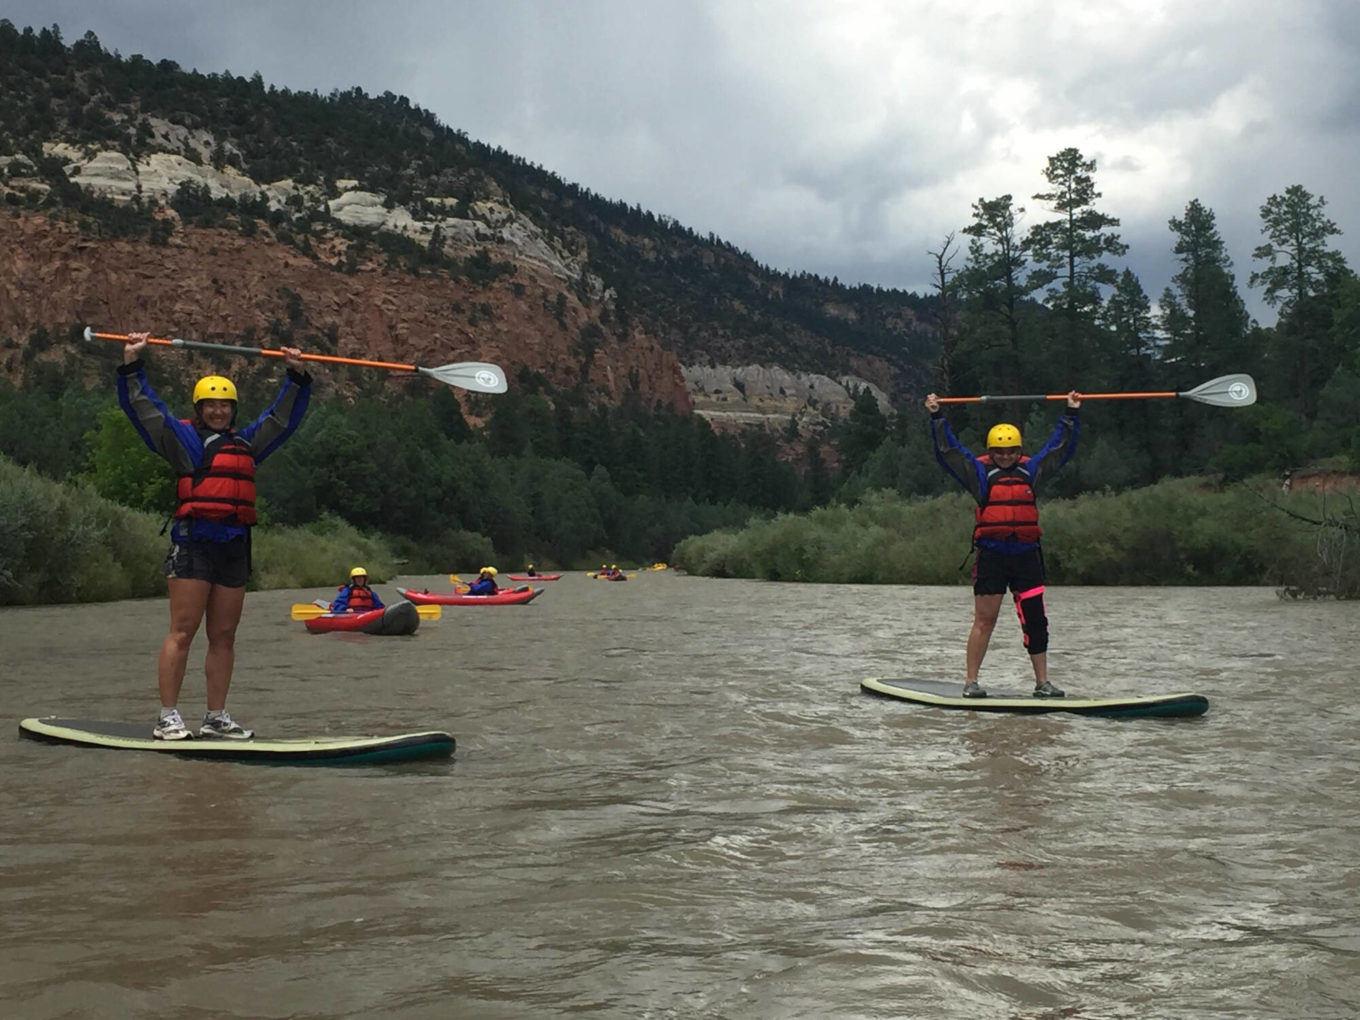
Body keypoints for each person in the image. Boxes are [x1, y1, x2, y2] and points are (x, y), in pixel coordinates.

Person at [118, 331, 311, 739]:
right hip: (194, 544)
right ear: (199, 408)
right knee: (183, 631)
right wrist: (133, 365)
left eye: (225, 405)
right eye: (211, 405)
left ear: (233, 409)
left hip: (234, 547)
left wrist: (296, 378)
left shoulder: (246, 442)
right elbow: (146, 411)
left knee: (223, 636)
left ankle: (216, 717)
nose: (219, 411)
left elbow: (281, 420)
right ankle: (168, 716)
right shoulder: (186, 440)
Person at [925, 390, 1081, 699]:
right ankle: (971, 682)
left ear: (1019, 450)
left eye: (1011, 451)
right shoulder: (980, 474)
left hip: (1026, 556)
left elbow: (1058, 450)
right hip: (993, 556)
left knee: (1036, 620)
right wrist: (936, 417)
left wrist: (1071, 414)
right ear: (991, 450)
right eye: (1000, 451)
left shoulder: (1031, 472)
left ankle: (1042, 683)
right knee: (985, 620)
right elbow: (951, 453)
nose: (1006, 456)